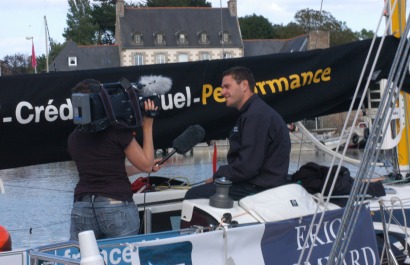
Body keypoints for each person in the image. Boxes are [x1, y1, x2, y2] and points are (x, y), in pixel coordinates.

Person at [68, 79, 161, 241]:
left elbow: (110, 170)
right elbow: (146, 164)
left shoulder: (74, 137)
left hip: (82, 208)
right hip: (115, 207)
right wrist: (148, 124)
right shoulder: (117, 131)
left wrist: (140, 168)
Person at [185, 66, 291, 201]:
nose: (222, 92)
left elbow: (248, 167)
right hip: (254, 183)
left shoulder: (256, 115)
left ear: (244, 85)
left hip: (260, 188)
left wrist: (218, 175)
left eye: (227, 86)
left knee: (193, 196)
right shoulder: (252, 113)